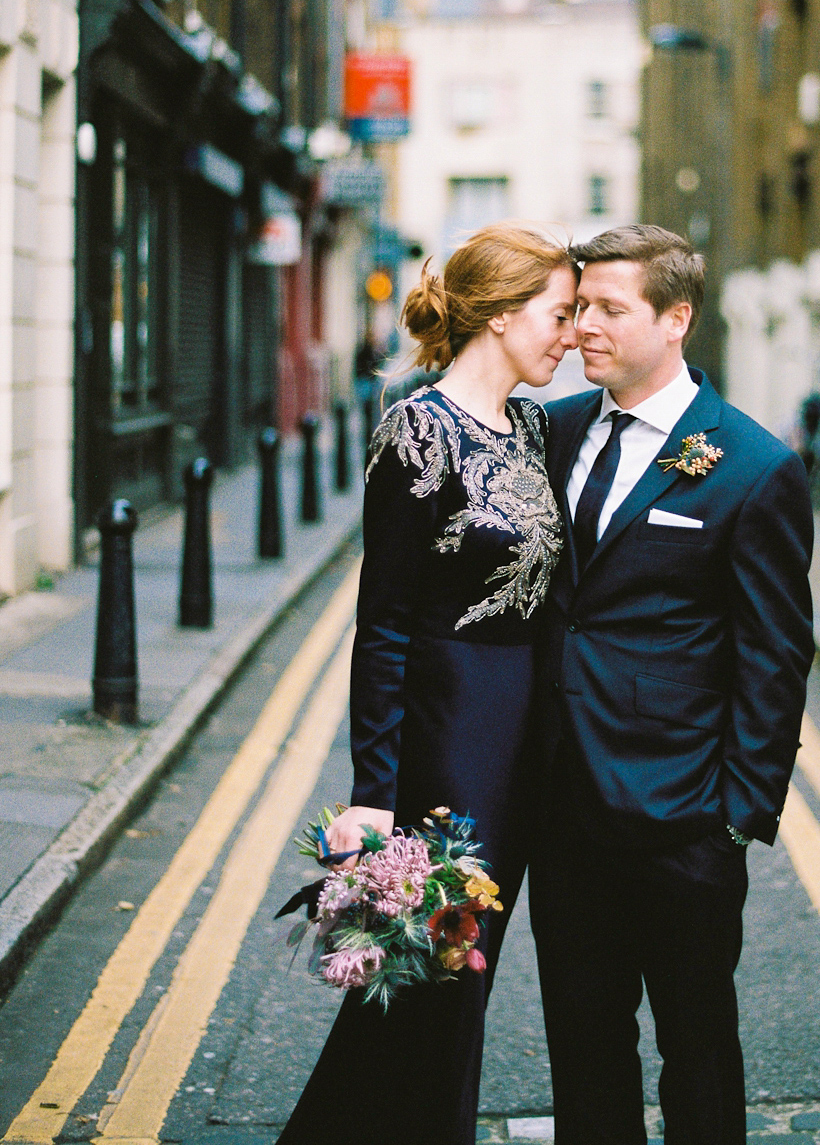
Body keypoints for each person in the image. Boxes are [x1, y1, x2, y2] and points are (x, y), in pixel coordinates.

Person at [276, 224, 578, 1145]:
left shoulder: (531, 425)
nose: (568, 335)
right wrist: (375, 793)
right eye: (558, 315)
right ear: (497, 315)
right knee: (439, 974)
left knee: (450, 981)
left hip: (527, 736)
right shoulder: (418, 430)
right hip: (451, 743)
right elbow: (385, 624)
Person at [530, 224, 814, 1145]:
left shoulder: (752, 466)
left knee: (696, 1051)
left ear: (677, 318)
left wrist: (736, 815)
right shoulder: (553, 430)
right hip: (563, 815)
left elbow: (776, 656)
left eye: (611, 310)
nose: (584, 331)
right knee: (581, 1045)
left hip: (682, 823)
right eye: (579, 310)